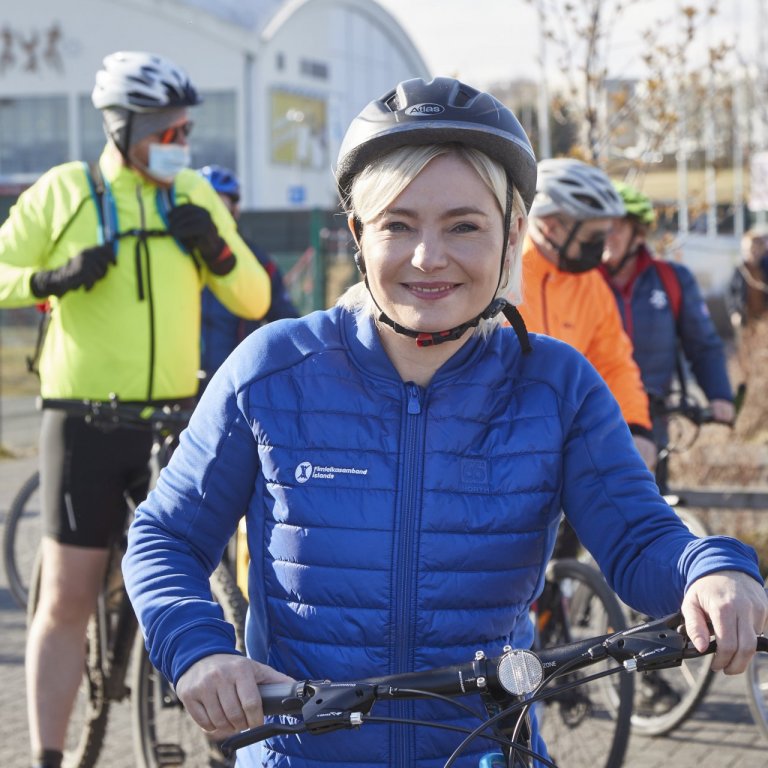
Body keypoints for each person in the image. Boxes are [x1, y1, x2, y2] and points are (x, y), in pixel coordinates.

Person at [123, 77, 768, 768]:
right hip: (301, 754)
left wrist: (714, 570)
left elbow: (639, 538)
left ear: (513, 234)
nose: (429, 257)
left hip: (484, 749)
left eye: (464, 225)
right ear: (358, 235)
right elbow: (166, 535)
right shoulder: (273, 369)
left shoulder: (555, 384)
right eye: (398, 224)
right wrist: (199, 650)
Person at [0, 51, 271, 768]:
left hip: (177, 422)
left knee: (198, 580)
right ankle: (50, 757)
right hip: (84, 420)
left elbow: (255, 298)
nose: (177, 138)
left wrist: (212, 247)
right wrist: (45, 277)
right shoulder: (68, 191)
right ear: (121, 127)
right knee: (65, 594)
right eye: (163, 126)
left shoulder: (190, 193)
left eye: (182, 126)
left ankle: (224, 737)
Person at [514, 158, 657, 470]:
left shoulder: (591, 284)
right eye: (592, 236)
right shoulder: (501, 277)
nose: (602, 248)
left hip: (565, 451)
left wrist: (636, 427)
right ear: (551, 226)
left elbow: (613, 361)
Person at [601, 181, 734, 491]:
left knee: (646, 509)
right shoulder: (580, 282)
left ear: (639, 233)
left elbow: (702, 344)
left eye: (617, 226)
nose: (606, 234)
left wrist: (719, 395)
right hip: (589, 413)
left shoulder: (671, 279)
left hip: (650, 417)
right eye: (601, 225)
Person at [197, 164, 300, 388]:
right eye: (206, 205)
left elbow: (285, 321)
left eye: (220, 205)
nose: (214, 213)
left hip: (238, 381)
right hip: (184, 382)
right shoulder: (178, 256)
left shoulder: (258, 261)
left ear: (234, 210)